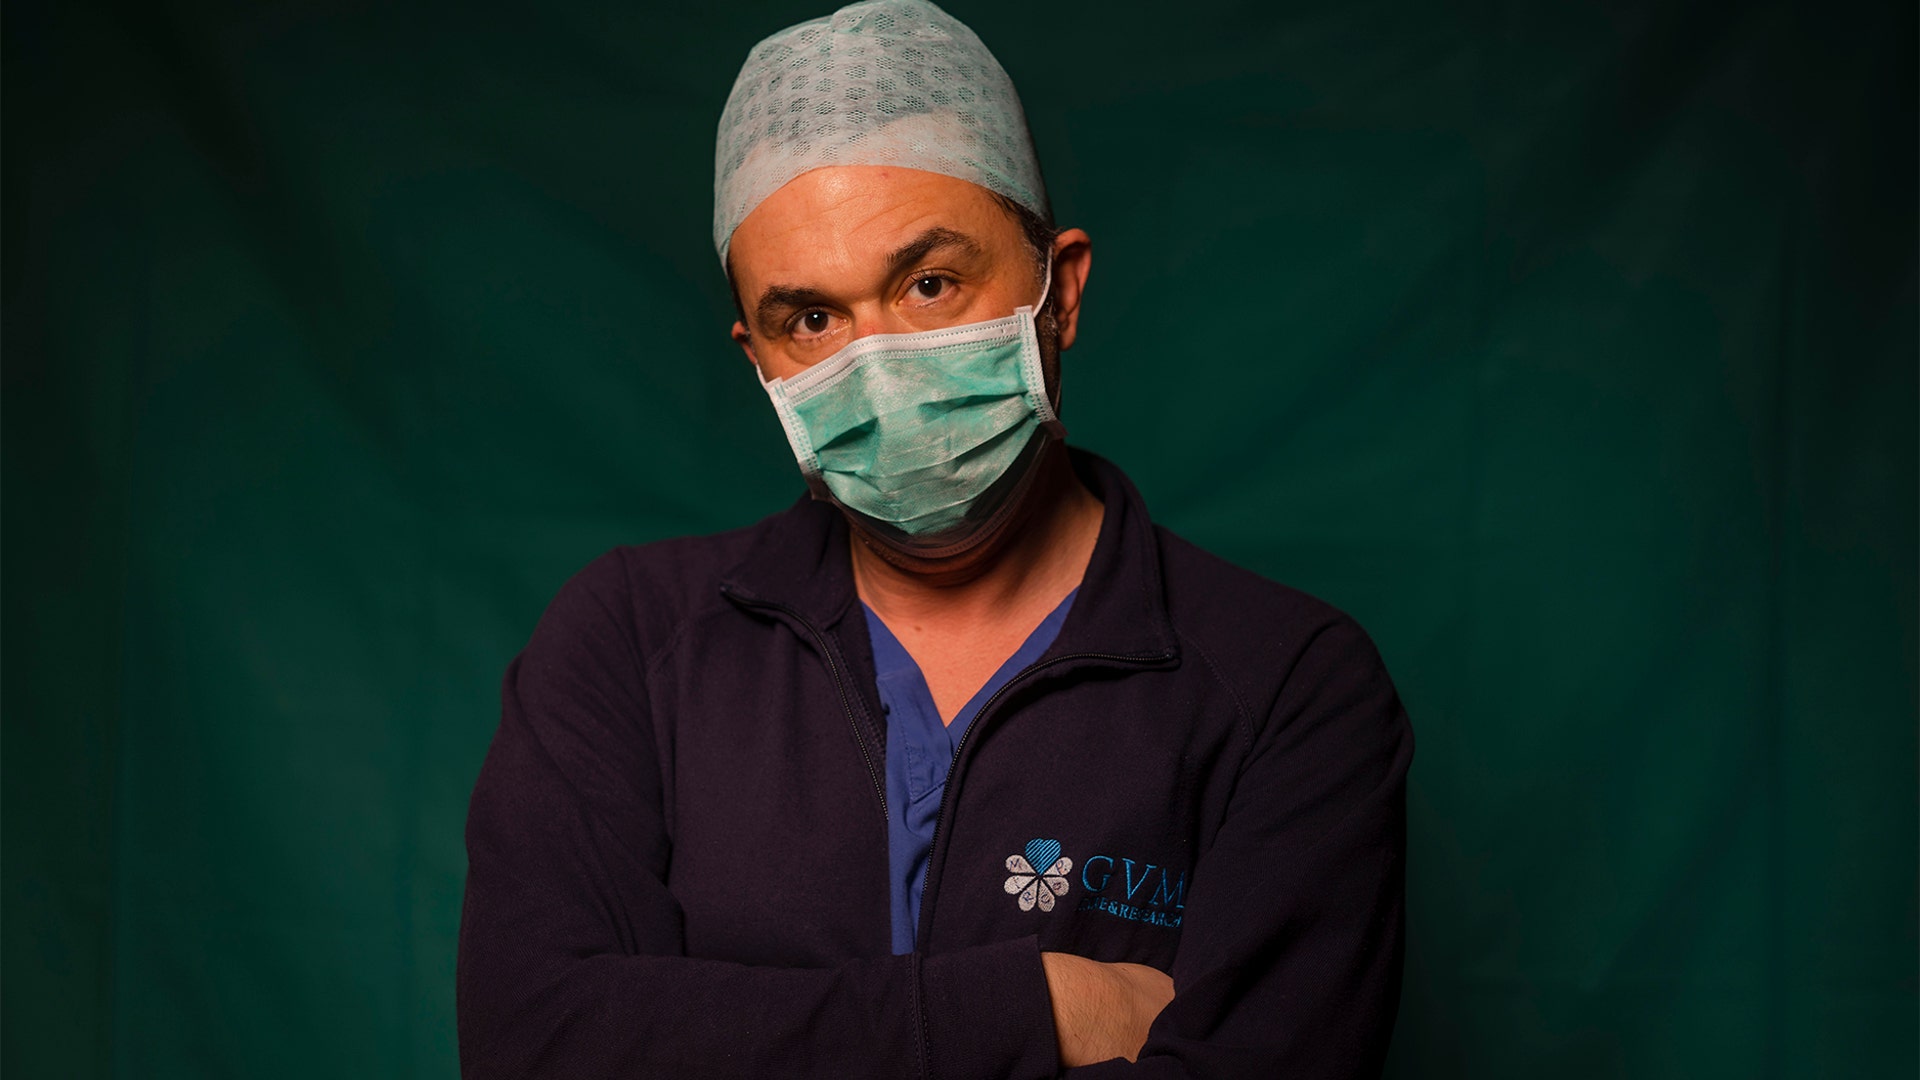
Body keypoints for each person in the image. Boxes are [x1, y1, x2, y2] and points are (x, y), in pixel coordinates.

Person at [456, 2, 1413, 1077]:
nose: (878, 364)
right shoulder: (631, 646)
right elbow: (534, 1044)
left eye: (930, 284)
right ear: (760, 362)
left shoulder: (1283, 686)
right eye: (810, 319)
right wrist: (1027, 1005)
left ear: (1064, 293)